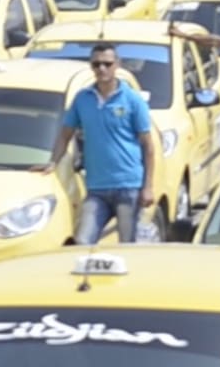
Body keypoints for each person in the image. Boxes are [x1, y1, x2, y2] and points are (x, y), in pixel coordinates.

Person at [35, 44, 155, 244]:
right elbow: (65, 134)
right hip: (96, 187)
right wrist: (53, 162)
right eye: (96, 64)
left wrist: (148, 186)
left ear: (117, 65)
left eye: (107, 64)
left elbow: (148, 146)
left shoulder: (132, 100)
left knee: (128, 244)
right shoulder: (82, 99)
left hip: (129, 185)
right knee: (83, 241)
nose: (102, 69)